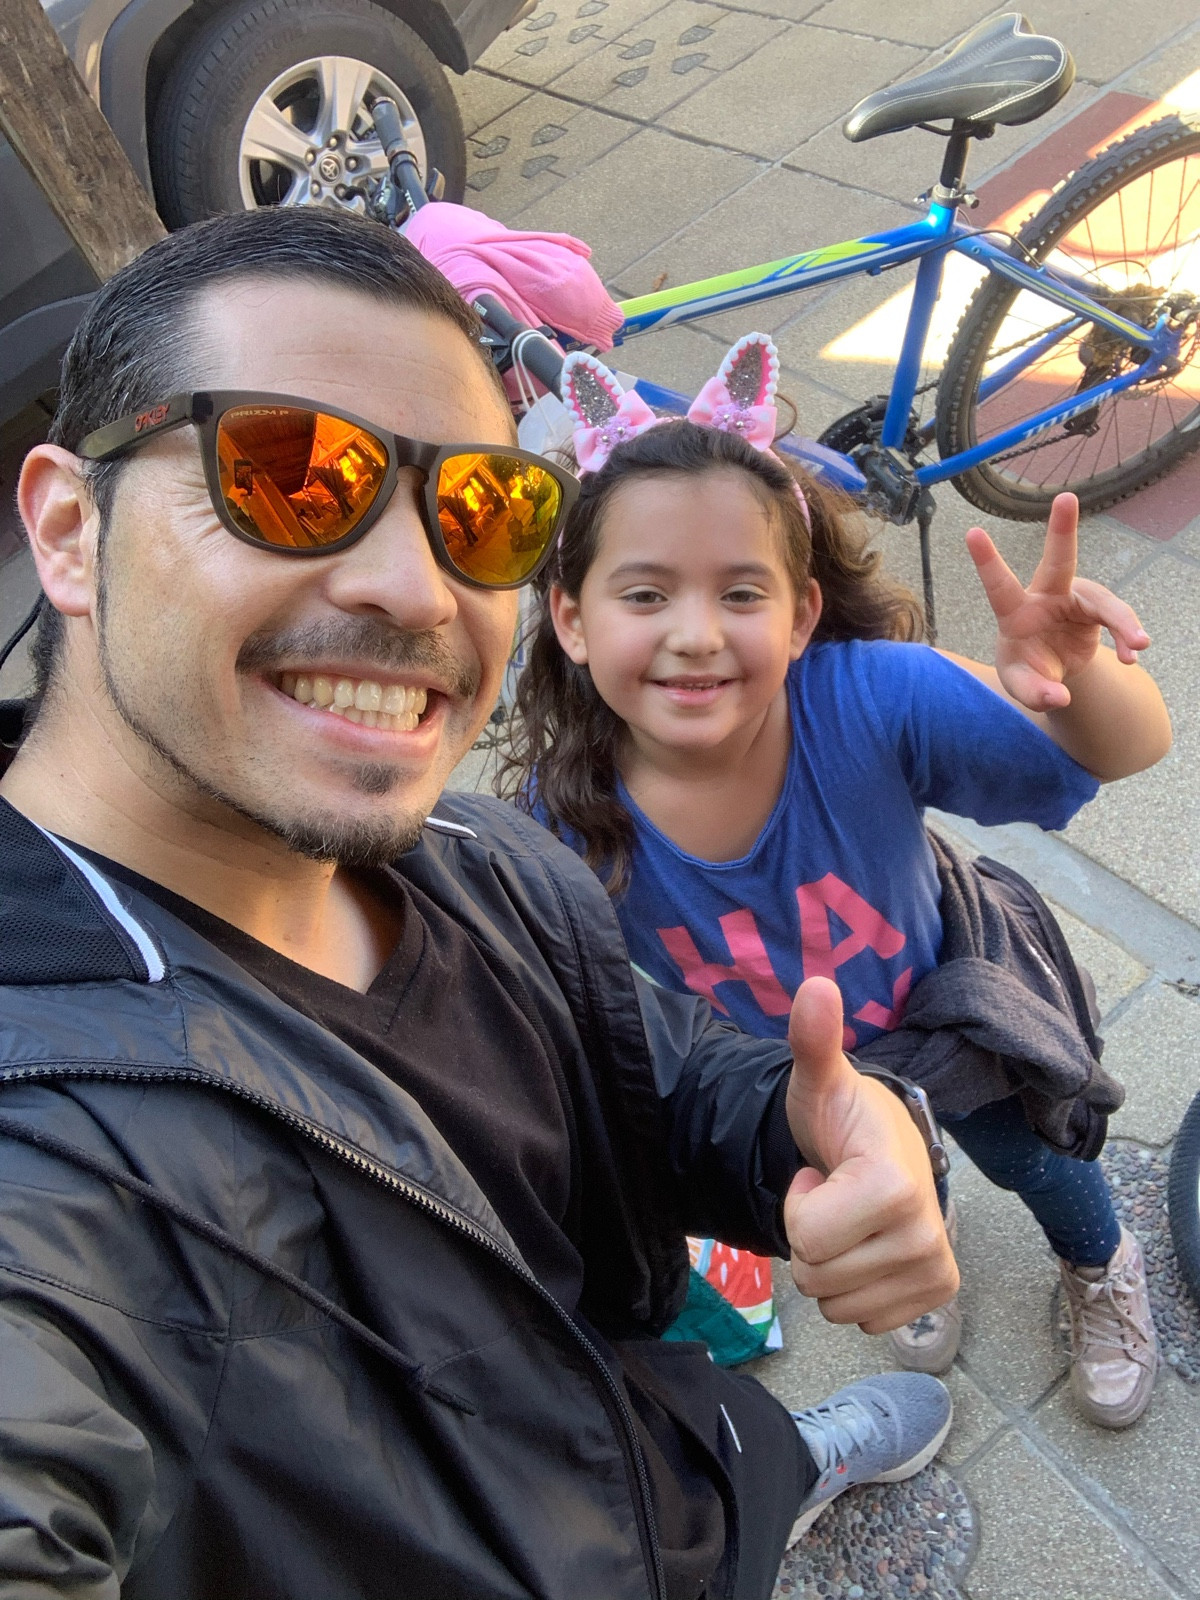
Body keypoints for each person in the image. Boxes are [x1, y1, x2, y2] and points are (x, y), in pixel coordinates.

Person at [0, 209, 959, 1600]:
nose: (417, 590)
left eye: (483, 511)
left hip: (657, 1463)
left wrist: (818, 1128)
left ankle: (774, 1472)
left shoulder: (462, 846)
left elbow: (635, 1071)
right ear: (68, 529)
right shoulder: (47, 1163)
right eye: (290, 473)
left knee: (726, 1472)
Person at [503, 334, 1171, 1429]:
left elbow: (1124, 751)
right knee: (897, 1192)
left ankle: (1100, 1262)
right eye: (645, 594)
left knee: (1037, 1160)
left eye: (740, 592)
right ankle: (921, 1259)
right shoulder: (561, 822)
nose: (695, 635)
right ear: (572, 619)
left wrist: (1082, 676)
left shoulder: (871, 699)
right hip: (805, 1090)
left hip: (949, 1020)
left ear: (803, 614)